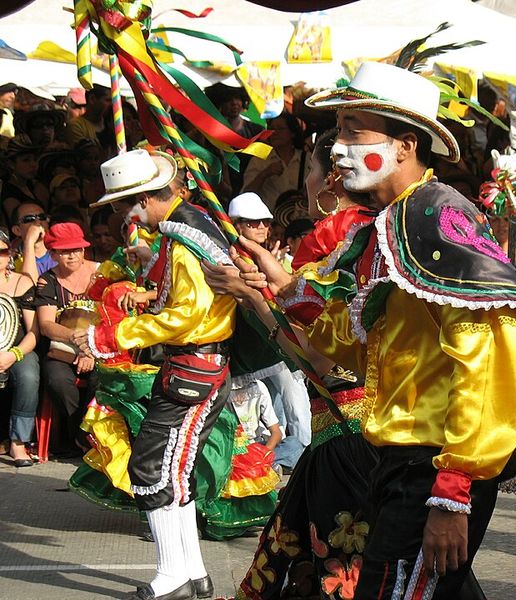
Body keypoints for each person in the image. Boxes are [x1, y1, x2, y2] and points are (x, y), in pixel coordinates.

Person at [224, 62, 516, 598]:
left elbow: (490, 364)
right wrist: (284, 285)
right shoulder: (392, 225)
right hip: (397, 460)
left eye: (353, 133)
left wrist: (452, 492)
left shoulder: (436, 219)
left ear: (406, 145)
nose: (336, 149)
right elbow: (359, 346)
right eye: (336, 132)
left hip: (433, 467)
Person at [204, 128, 381, 599]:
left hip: (349, 439)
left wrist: (253, 296)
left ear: (331, 183)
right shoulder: (369, 234)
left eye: (312, 171)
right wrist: (260, 280)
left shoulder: (340, 239)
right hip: (354, 435)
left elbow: (315, 356)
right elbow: (306, 321)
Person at [72, 148, 237, 600]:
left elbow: (186, 314)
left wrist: (112, 336)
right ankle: (191, 571)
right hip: (199, 365)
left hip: (193, 367)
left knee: (151, 468)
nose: (127, 213)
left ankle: (172, 576)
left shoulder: (183, 242)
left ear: (147, 198)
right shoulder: (187, 229)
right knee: (173, 471)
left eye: (129, 203)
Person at [229, 191, 312, 471]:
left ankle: (302, 460)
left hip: (277, 346)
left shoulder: (271, 259)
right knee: (261, 418)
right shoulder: (226, 257)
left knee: (296, 408)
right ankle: (267, 464)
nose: (263, 227)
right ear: (237, 225)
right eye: (254, 223)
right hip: (247, 350)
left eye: (265, 222)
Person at [35, 222, 99, 457]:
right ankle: (81, 436)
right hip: (63, 349)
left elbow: (114, 318)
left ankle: (84, 437)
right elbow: (46, 325)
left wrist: (90, 349)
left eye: (77, 249)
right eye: (64, 251)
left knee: (101, 380)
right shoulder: (47, 280)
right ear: (52, 253)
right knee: (58, 381)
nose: (72, 255)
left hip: (99, 346)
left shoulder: (102, 273)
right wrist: (78, 340)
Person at [0, 230, 40, 467]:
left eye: (2, 251)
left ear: (11, 253)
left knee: (28, 374)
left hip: (17, 349)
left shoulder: (22, 281)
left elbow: (34, 332)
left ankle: (19, 442)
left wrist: (11, 355)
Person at [242, 113, 310, 211]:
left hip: (299, 218)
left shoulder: (307, 158)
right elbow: (246, 195)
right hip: (269, 221)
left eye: (280, 129)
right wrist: (265, 174)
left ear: (292, 133)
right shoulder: (259, 160)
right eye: (272, 129)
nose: (275, 133)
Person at [2, 135, 49, 225]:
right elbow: (20, 225)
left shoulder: (32, 185)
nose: (33, 164)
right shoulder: (9, 192)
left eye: (35, 160)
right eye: (26, 160)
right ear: (11, 164)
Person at [11, 202, 56, 281]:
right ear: (17, 230)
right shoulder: (10, 259)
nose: (38, 222)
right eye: (29, 219)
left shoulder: (61, 251)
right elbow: (28, 287)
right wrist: (29, 241)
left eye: (42, 217)